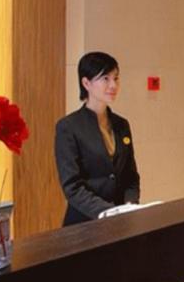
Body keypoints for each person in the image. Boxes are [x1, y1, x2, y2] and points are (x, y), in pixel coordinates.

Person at [54, 52, 140, 226]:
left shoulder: (122, 124)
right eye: (105, 79)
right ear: (86, 83)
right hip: (84, 224)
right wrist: (108, 212)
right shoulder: (68, 127)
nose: (113, 85)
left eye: (116, 78)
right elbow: (72, 187)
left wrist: (130, 206)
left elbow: (131, 176)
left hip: (121, 222)